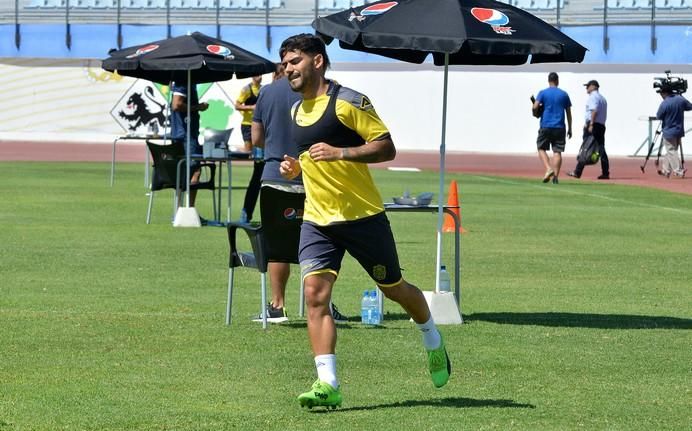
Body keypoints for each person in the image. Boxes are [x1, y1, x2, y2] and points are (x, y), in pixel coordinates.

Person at [278, 33, 451, 409]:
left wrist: (341, 151)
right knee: (314, 295)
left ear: (318, 61)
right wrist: (295, 169)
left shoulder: (348, 101)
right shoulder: (295, 112)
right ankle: (328, 383)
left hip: (363, 217)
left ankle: (431, 337)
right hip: (317, 220)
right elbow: (311, 161)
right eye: (286, 63)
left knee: (394, 288)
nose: (288, 69)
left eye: (295, 61)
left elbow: (386, 146)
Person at [250, 63, 347, 324]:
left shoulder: (267, 93)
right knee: (320, 243)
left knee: (278, 244)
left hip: (274, 176)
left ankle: (277, 305)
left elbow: (256, 137)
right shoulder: (324, 89)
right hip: (315, 178)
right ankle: (323, 302)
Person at [170, 82, 208, 208]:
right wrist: (198, 107)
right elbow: (176, 104)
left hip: (185, 133)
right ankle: (188, 210)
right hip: (186, 135)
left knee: (183, 172)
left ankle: (181, 210)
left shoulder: (185, 80)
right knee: (194, 171)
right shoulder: (184, 80)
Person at [533, 72, 572, 184]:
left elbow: (535, 106)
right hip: (560, 126)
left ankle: (548, 168)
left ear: (548, 80)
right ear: (557, 80)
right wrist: (570, 128)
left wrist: (535, 113)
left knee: (541, 148)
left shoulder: (543, 93)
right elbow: (568, 112)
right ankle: (555, 177)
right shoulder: (564, 94)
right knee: (557, 152)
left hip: (546, 125)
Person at [235, 76, 264, 223]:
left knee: (256, 157)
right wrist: (251, 108)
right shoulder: (247, 89)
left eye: (260, 75)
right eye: (257, 75)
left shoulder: (263, 89)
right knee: (251, 153)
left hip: (259, 126)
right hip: (248, 124)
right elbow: (237, 105)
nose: (259, 77)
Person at [568, 80, 609, 180]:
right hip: (601, 125)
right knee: (601, 148)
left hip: (593, 125)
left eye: (588, 86)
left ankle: (577, 172)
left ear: (593, 86)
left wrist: (590, 124)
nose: (586, 88)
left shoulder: (593, 97)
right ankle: (605, 172)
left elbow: (594, 110)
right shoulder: (602, 98)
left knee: (586, 147)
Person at [655, 86, 692, 178]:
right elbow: (690, 107)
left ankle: (678, 171)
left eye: (661, 94)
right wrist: (681, 97)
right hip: (679, 130)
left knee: (671, 151)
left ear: (665, 93)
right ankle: (666, 170)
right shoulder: (680, 99)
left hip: (668, 131)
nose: (661, 96)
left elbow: (658, 116)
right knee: (671, 151)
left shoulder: (664, 103)